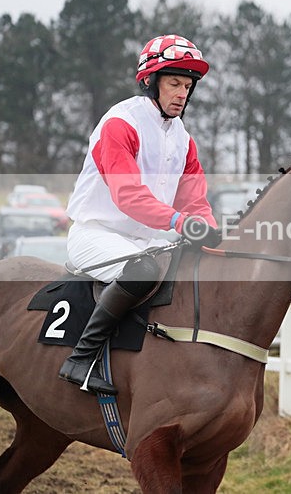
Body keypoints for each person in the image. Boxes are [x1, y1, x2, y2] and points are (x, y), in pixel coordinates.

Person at [60, 34, 220, 395]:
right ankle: (81, 359)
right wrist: (180, 222)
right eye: (175, 83)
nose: (183, 93)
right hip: (95, 233)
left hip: (146, 239)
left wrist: (209, 232)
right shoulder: (120, 123)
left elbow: (195, 202)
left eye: (188, 86)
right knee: (144, 270)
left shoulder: (184, 140)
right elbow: (128, 195)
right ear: (151, 82)